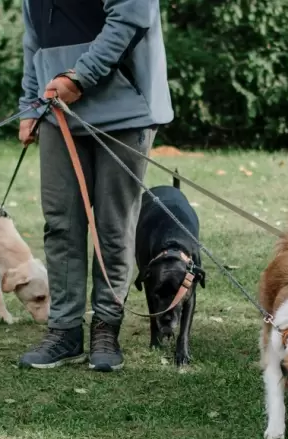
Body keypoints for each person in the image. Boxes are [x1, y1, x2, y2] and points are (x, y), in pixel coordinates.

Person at [16, 0, 173, 372]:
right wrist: (29, 105)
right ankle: (65, 330)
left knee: (114, 226)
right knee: (60, 224)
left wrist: (79, 77)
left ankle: (106, 328)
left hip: (124, 108)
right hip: (56, 111)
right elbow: (34, 42)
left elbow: (132, 17)